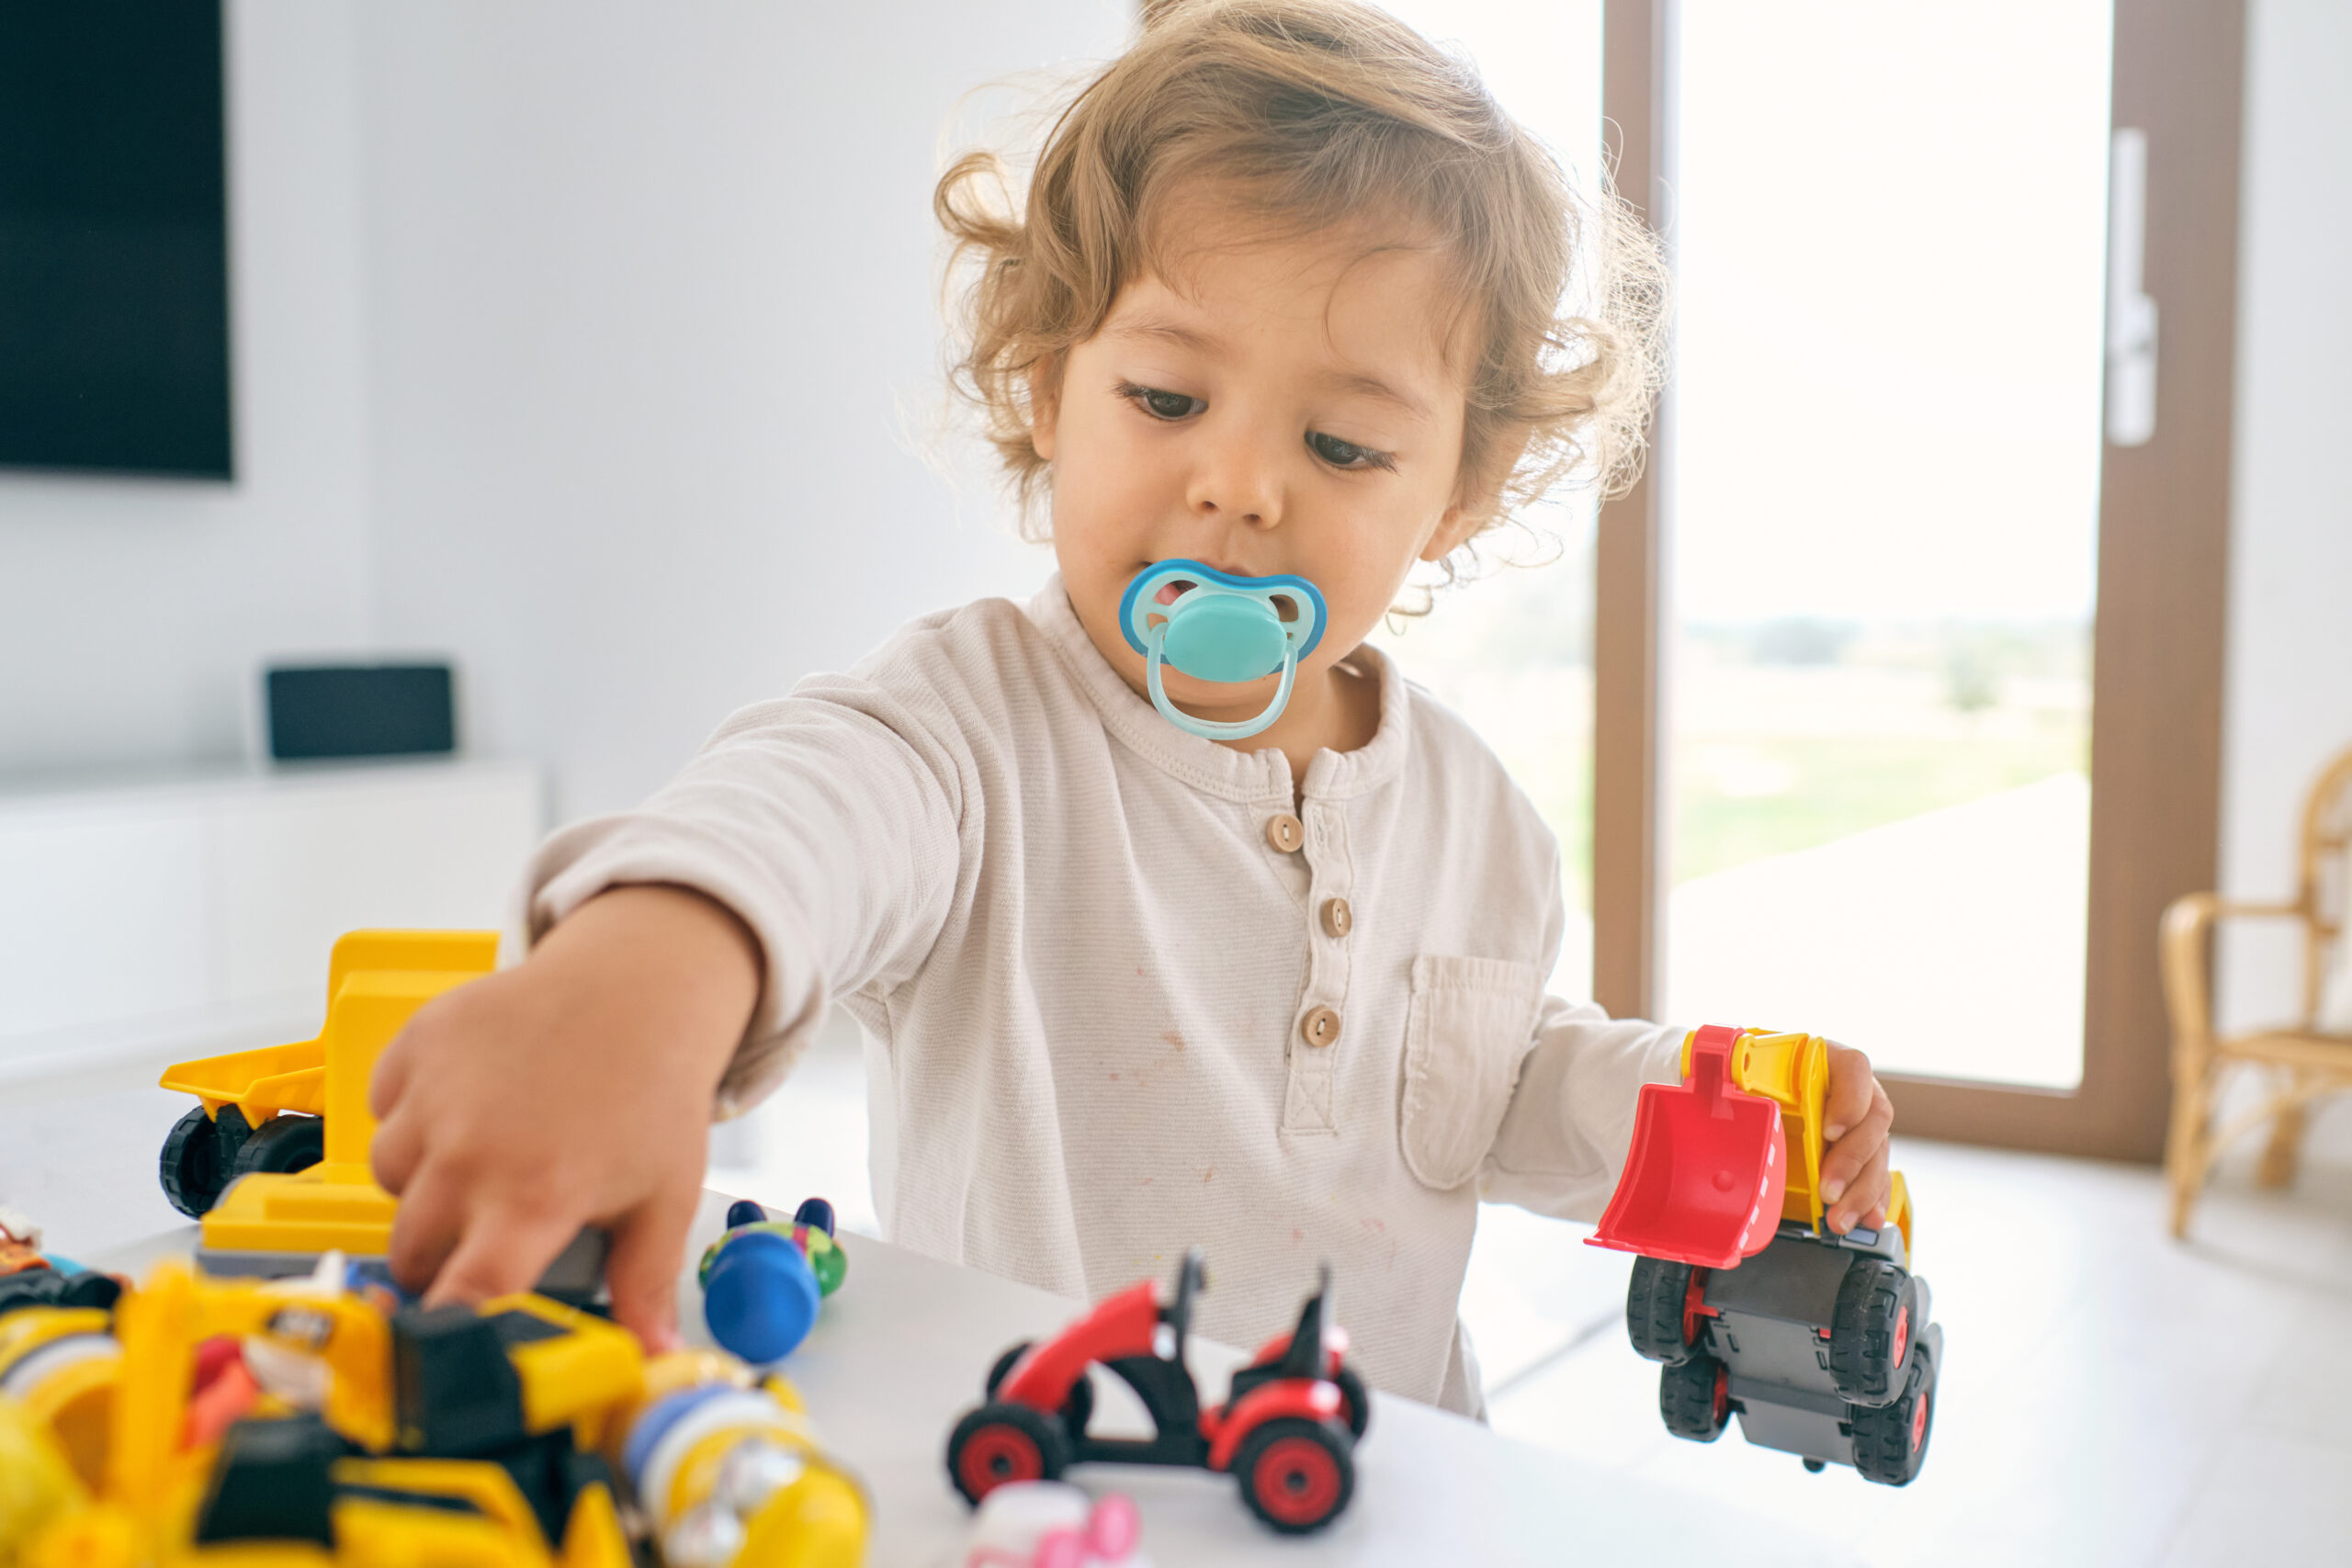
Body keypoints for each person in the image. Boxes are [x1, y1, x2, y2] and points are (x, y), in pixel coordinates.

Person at [368, 0, 1896, 1414]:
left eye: (1349, 445)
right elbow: (810, 807)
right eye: (1167, 400)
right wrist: (643, 981)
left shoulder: (1481, 820)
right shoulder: (972, 730)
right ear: (1047, 391)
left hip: (1387, 1480)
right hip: (1049, 1474)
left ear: (1458, 495)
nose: (1240, 481)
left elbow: (1486, 1093)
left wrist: (1691, 1108)